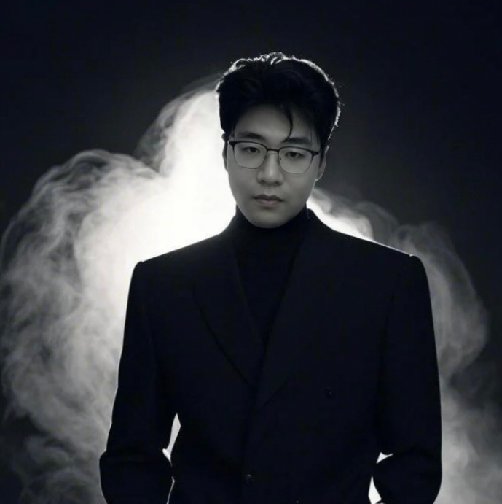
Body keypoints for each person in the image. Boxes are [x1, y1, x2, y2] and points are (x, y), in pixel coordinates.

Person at [99, 51, 442, 504]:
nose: (269, 173)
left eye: (294, 153)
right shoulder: (162, 285)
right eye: (251, 149)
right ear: (225, 152)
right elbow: (132, 455)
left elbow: (416, 461)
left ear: (321, 162)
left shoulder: (389, 284)